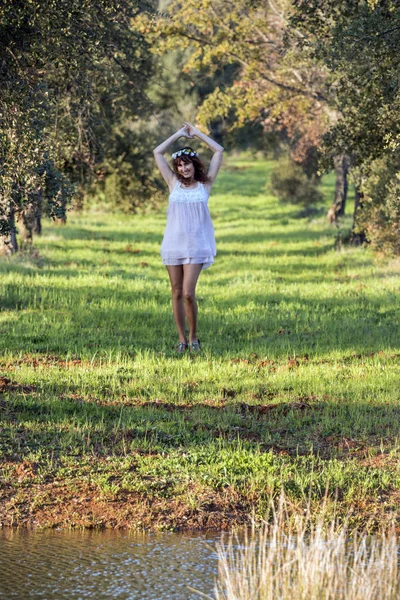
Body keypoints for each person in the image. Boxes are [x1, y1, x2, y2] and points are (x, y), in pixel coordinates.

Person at [153, 122, 224, 352]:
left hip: (196, 246)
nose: (184, 169)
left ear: (194, 165)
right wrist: (178, 134)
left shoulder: (205, 185)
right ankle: (181, 339)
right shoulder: (173, 184)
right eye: (180, 166)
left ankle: (194, 337)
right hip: (173, 244)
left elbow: (219, 151)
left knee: (188, 293)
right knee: (175, 292)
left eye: (188, 165)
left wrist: (196, 134)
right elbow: (157, 152)